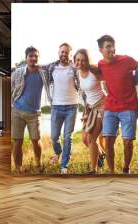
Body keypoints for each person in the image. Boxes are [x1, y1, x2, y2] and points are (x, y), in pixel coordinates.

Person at [97, 35, 138, 174]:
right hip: (111, 107)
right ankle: (111, 171)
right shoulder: (101, 64)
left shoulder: (126, 60)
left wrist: (136, 83)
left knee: (127, 141)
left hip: (128, 106)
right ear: (101, 50)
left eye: (112, 45)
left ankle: (126, 169)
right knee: (108, 140)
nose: (111, 49)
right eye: (107, 46)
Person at [42, 43, 79, 174]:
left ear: (70, 54)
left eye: (67, 52)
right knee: (54, 137)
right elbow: (37, 67)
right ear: (58, 53)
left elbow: (83, 84)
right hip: (56, 107)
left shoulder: (75, 68)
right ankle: (58, 152)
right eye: (62, 52)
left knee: (68, 136)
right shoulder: (52, 67)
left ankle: (64, 165)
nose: (64, 54)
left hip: (72, 107)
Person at [11, 46, 48, 173]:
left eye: (35, 56)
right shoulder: (18, 72)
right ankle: (18, 167)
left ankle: (38, 164)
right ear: (26, 58)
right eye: (30, 56)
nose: (33, 58)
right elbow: (12, 87)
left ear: (38, 58)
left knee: (36, 141)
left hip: (34, 113)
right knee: (18, 141)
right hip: (17, 111)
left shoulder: (43, 73)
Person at [74, 49, 107, 174]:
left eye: (83, 60)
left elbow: (110, 77)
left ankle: (94, 170)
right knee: (84, 139)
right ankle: (101, 154)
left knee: (91, 139)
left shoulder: (94, 71)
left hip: (101, 106)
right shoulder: (78, 73)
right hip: (90, 107)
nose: (80, 62)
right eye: (77, 60)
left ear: (87, 61)